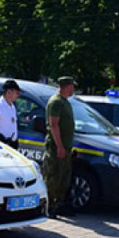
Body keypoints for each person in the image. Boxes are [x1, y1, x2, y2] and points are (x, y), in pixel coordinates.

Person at [43, 76, 76, 219]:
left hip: (66, 147)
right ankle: (49, 206)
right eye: (72, 86)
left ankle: (59, 205)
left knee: (63, 178)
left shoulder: (65, 102)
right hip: (56, 148)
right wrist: (60, 147)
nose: (73, 88)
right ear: (66, 86)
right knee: (53, 178)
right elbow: (54, 125)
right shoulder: (56, 102)